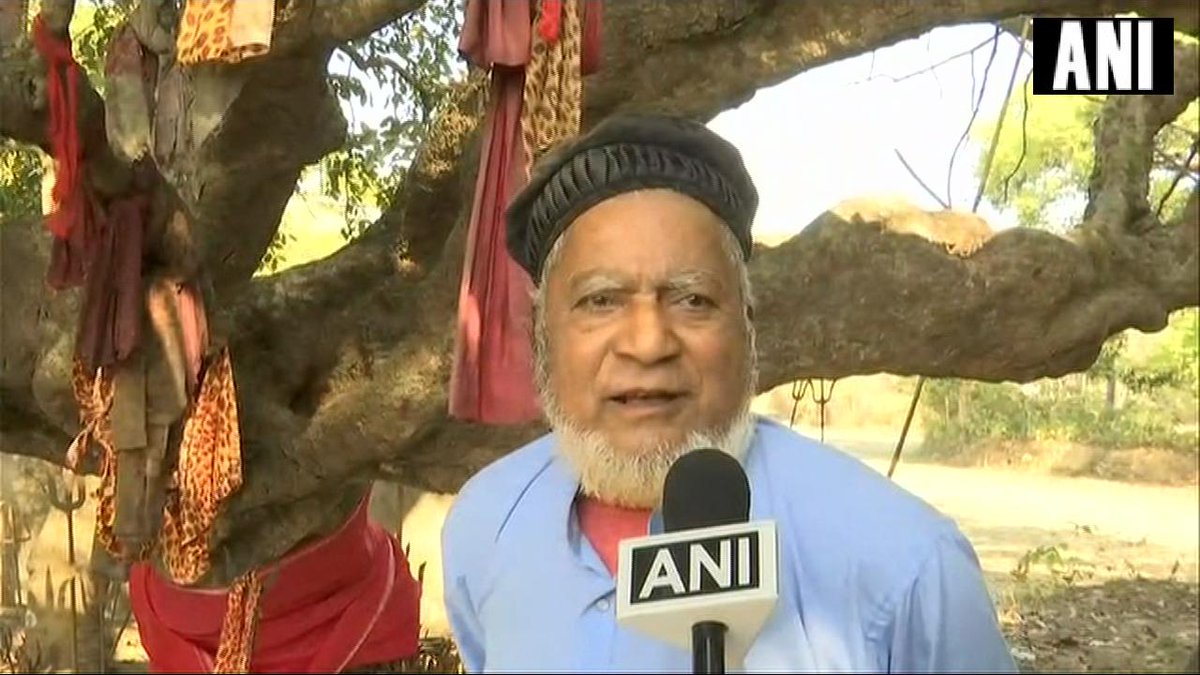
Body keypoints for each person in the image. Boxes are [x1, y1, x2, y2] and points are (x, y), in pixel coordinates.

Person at [440, 112, 1018, 673]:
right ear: (541, 336)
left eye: (692, 299)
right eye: (601, 300)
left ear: (747, 325)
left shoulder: (908, 566)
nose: (648, 344)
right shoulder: (485, 526)